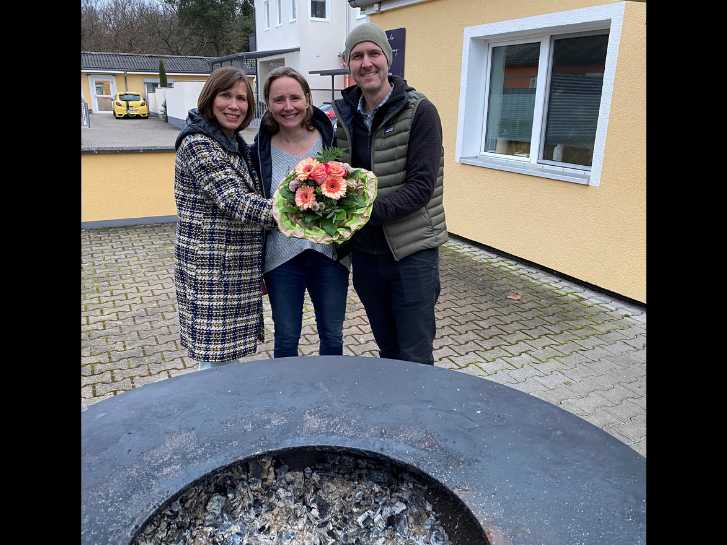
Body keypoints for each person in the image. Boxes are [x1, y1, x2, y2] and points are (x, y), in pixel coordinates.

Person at [333, 23, 448, 365]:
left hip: (411, 256)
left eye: (373, 53)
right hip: (367, 258)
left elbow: (421, 188)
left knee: (414, 356)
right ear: (348, 65)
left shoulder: (420, 111)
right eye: (357, 56)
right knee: (388, 351)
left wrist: (358, 212)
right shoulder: (344, 117)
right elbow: (337, 181)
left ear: (388, 59)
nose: (366, 63)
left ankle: (419, 419)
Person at [173, 66, 276, 370]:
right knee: (214, 363)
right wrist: (297, 211)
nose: (234, 105)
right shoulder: (197, 143)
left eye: (242, 99)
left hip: (233, 269)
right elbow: (235, 201)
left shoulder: (233, 144)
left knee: (228, 361)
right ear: (210, 98)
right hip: (212, 270)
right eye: (226, 95)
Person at [251, 67, 350, 358]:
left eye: (294, 97)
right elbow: (257, 207)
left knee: (332, 336)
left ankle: (330, 395)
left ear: (307, 99)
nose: (288, 106)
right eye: (278, 99)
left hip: (329, 257)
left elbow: (347, 192)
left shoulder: (331, 141)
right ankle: (287, 399)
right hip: (281, 259)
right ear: (267, 104)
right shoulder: (259, 151)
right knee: (286, 338)